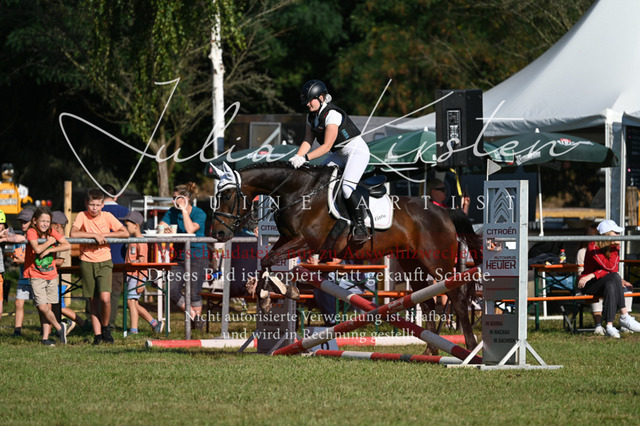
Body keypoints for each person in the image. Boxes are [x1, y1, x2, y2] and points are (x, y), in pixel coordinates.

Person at [289, 79, 370, 245]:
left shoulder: (332, 114)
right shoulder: (311, 116)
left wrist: (305, 159)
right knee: (318, 180)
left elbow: (326, 147)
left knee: (347, 188)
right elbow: (307, 141)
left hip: (356, 152)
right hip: (340, 153)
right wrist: (297, 157)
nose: (307, 104)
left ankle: (361, 226)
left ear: (321, 98)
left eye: (310, 100)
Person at [70, 188, 129, 344]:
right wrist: (93, 235)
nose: (94, 208)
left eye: (97, 205)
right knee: (93, 300)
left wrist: (105, 235)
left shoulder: (107, 216)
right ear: (86, 204)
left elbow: (124, 232)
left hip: (104, 260)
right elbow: (73, 233)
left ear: (103, 204)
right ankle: (97, 335)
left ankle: (105, 328)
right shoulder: (82, 216)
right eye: (92, 205)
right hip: (87, 260)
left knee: (105, 298)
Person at [156, 182, 208, 328]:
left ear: (186, 198)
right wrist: (163, 229)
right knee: (171, 290)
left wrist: (184, 210)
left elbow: (190, 229)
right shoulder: (171, 212)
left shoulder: (199, 213)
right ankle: (195, 318)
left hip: (197, 255)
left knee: (194, 293)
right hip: (179, 256)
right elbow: (160, 227)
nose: (173, 201)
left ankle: (195, 325)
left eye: (176, 198)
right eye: (173, 198)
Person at [578, 219, 640, 338]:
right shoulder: (593, 246)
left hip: (602, 281)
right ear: (607, 234)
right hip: (589, 284)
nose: (618, 235)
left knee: (611, 284)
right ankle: (624, 316)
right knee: (614, 277)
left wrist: (594, 274)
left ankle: (609, 326)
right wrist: (592, 276)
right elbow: (610, 268)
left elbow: (612, 270)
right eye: (615, 232)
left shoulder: (614, 247)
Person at [24, 207, 71, 345]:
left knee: (48, 308)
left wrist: (51, 249)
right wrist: (49, 243)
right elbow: (37, 249)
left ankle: (45, 338)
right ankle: (59, 327)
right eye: (42, 221)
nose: (45, 224)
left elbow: (67, 245)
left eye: (48, 221)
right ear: (34, 221)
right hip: (36, 274)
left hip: (51, 274)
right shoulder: (31, 232)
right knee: (42, 307)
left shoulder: (51, 232)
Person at [123, 211, 163, 334]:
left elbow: (142, 262)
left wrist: (140, 281)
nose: (125, 228)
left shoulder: (141, 241)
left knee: (131, 302)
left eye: (127, 225)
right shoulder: (132, 240)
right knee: (133, 303)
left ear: (136, 226)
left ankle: (134, 330)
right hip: (131, 275)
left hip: (137, 275)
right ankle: (154, 323)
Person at [51, 211, 90, 334]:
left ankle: (80, 323)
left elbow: (59, 261)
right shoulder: (58, 240)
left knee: (58, 305)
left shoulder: (62, 241)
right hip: (57, 278)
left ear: (57, 226)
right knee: (55, 305)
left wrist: (43, 262)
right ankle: (62, 325)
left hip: (60, 279)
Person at [101, 184, 130, 334]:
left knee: (95, 293)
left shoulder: (95, 211)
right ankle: (109, 326)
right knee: (113, 294)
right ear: (116, 196)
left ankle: (93, 324)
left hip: (97, 258)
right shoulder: (125, 211)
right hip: (118, 259)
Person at [11, 208, 35, 336]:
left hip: (35, 276)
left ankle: (45, 329)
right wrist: (16, 259)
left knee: (40, 304)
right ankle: (17, 330)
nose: (22, 224)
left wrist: (23, 260)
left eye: (25, 221)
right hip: (23, 276)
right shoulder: (17, 238)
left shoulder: (36, 237)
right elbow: (15, 256)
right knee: (18, 302)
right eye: (21, 221)